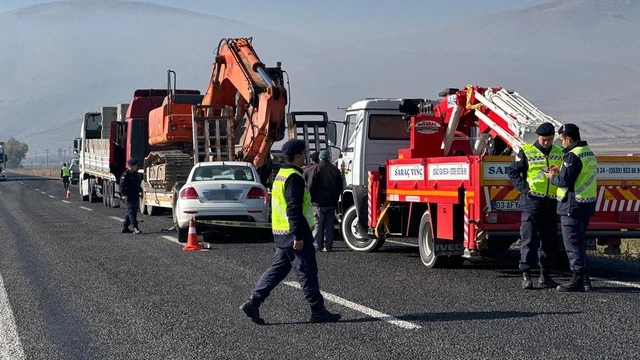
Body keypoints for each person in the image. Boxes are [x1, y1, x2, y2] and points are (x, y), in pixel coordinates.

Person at [241, 139, 341, 325]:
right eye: (303, 153)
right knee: (307, 272)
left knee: (277, 271)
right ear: (296, 156)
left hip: (282, 234)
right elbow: (293, 208)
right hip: (295, 234)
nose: (305, 156)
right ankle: (317, 310)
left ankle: (254, 302)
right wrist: (298, 235)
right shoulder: (294, 178)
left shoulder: (282, 174)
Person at [507, 123, 564, 289]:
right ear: (537, 137)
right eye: (543, 139)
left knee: (550, 241)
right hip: (532, 202)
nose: (546, 142)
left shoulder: (559, 153)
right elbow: (512, 172)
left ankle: (545, 275)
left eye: (549, 139)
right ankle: (526, 275)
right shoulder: (526, 150)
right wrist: (525, 190)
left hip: (551, 202)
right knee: (529, 239)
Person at [545, 124, 597, 292]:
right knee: (579, 242)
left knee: (572, 244)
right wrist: (562, 171)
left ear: (568, 138)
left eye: (562, 140)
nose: (561, 144)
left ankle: (577, 279)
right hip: (585, 204)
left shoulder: (572, 156)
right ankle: (586, 279)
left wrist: (553, 177)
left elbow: (565, 181)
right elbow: (578, 176)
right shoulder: (588, 152)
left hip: (572, 205)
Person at [308, 150, 342, 252]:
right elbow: (339, 186)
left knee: (318, 223)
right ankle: (328, 246)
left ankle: (317, 245)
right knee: (329, 225)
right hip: (331, 202)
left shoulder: (316, 169)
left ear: (319, 158)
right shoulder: (335, 170)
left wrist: (311, 198)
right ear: (329, 158)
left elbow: (310, 186)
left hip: (318, 202)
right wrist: (335, 198)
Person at [119, 158, 142, 234]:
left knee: (131, 211)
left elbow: (136, 184)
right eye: (135, 166)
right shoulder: (125, 175)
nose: (136, 167)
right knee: (132, 212)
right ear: (130, 166)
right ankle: (135, 227)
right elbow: (122, 185)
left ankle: (125, 227)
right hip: (128, 196)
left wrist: (139, 191)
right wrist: (123, 195)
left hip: (135, 195)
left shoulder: (135, 174)